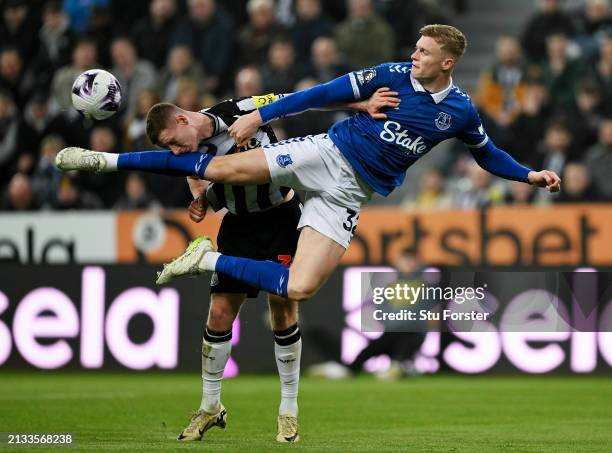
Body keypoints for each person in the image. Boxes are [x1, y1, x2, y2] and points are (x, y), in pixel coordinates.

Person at [56, 24, 560, 320]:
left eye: (424, 52)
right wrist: (260, 115)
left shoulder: (462, 111)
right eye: (415, 49)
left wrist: (529, 175)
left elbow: (486, 152)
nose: (414, 56)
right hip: (324, 153)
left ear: (447, 62)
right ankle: (105, 159)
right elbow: (321, 94)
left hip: (349, 194)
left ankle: (207, 261)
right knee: (221, 169)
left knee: (298, 288)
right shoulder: (389, 75)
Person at [56, 88, 396, 442]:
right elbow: (190, 174)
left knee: (282, 310)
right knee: (219, 314)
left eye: (174, 142)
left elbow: (299, 99)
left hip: (280, 218)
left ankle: (289, 409)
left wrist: (357, 102)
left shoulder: (240, 109)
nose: (176, 151)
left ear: (184, 119)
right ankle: (209, 406)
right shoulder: (190, 148)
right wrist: (200, 196)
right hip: (236, 225)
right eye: (169, 149)